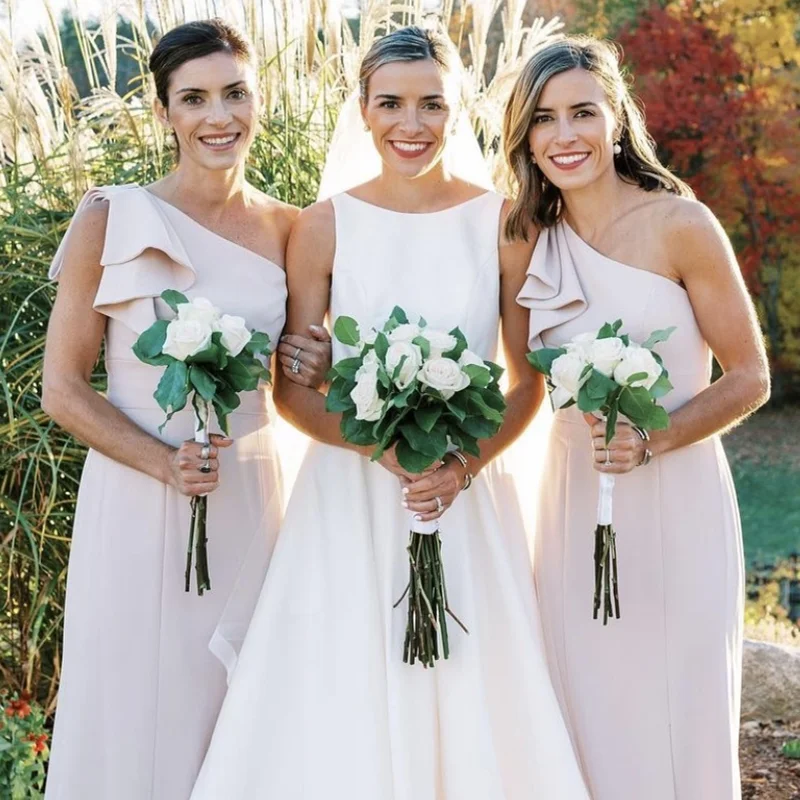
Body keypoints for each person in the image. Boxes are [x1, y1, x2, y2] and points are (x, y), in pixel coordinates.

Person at [191, 26, 589, 800]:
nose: (412, 124)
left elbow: (526, 382)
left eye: (432, 104)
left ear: (457, 108)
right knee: (341, 682)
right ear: (364, 112)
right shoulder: (324, 226)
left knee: (476, 681)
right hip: (351, 497)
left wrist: (458, 466)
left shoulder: (505, 223)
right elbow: (295, 389)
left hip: (466, 497)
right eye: (391, 104)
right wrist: (389, 454)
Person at [41, 19, 328, 799]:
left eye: (236, 93)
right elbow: (61, 389)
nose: (219, 116)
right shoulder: (113, 216)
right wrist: (163, 464)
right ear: (165, 112)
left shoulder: (290, 228)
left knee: (244, 705)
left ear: (257, 98)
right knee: (141, 700)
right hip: (139, 498)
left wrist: (317, 365)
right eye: (194, 98)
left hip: (253, 494)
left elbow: (297, 392)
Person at [505, 35, 770, 800]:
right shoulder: (526, 238)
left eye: (582, 113)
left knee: (678, 706)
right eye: (544, 119)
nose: (565, 136)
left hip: (677, 500)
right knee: (584, 704)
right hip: (569, 503)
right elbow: (520, 380)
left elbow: (750, 375)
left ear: (616, 119)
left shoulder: (680, 224)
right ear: (526, 137)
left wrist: (653, 442)